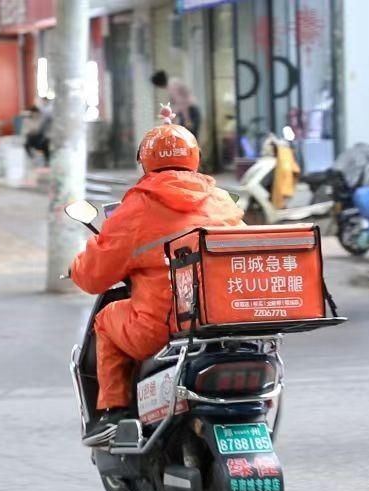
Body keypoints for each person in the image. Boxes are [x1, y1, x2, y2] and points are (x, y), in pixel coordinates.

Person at [70, 106, 243, 445]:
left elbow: (93, 276)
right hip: (225, 321)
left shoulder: (138, 208)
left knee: (106, 320)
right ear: (195, 158)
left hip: (161, 328)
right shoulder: (222, 200)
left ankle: (114, 413)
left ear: (144, 162)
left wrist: (75, 268)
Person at [151, 70, 201, 138]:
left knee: (188, 138)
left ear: (159, 83)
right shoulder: (173, 82)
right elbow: (178, 105)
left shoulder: (172, 86)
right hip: (190, 110)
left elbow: (181, 103)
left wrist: (187, 119)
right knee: (188, 137)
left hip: (190, 111)